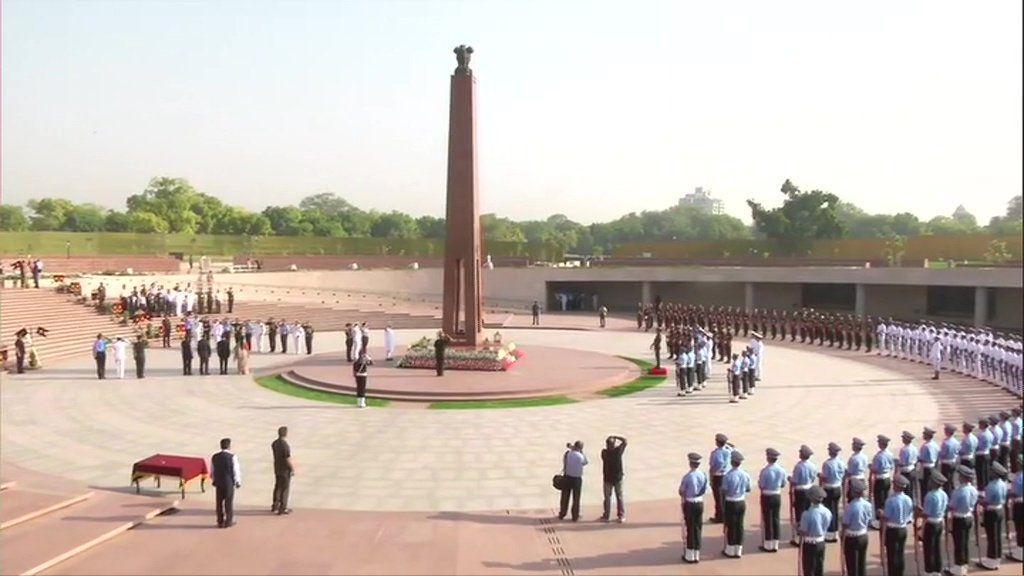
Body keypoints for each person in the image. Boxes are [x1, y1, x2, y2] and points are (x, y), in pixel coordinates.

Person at [948, 465, 979, 576]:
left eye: (960, 475)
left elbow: (952, 506)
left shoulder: (959, 491)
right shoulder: (973, 490)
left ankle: (959, 567)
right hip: (968, 517)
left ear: (963, 477)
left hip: (959, 518)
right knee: (965, 542)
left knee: (959, 544)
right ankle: (964, 564)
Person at [882, 474, 914, 576]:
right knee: (900, 554)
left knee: (892, 556)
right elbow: (909, 516)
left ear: (896, 486)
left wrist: (880, 514)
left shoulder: (891, 500)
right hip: (903, 528)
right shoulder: (908, 499)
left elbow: (886, 517)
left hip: (892, 530)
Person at [979, 461, 1009, 570]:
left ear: (995, 473)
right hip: (1000, 510)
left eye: (991, 471)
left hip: (991, 512)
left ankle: (991, 560)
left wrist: (979, 501)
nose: (990, 472)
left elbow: (986, 502)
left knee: (992, 537)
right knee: (997, 536)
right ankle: (997, 559)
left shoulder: (991, 486)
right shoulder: (1003, 484)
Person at [721, 450, 751, 558]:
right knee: (740, 525)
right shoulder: (745, 474)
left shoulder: (728, 475)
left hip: (731, 502)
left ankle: (730, 548)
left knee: (731, 525)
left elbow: (724, 490)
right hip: (741, 501)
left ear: (731, 462)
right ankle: (738, 549)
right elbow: (748, 489)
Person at [679, 452, 707, 564]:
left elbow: (681, 491)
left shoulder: (687, 477)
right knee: (698, 527)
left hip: (690, 503)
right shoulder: (703, 475)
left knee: (690, 528)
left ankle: (690, 554)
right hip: (699, 502)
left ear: (690, 463)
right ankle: (697, 554)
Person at [841, 478, 874, 576]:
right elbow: (869, 519)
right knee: (861, 563)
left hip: (852, 537)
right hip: (863, 535)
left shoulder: (850, 507)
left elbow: (845, 524)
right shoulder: (868, 505)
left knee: (852, 566)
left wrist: (842, 536)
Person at [920, 470, 949, 576]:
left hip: (931, 524)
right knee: (937, 548)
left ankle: (929, 571)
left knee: (929, 549)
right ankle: (937, 570)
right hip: (940, 522)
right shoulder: (944, 494)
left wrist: (919, 513)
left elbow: (926, 514)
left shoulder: (930, 495)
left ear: (934, 482)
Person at [758, 447, 787, 552]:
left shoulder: (765, 471)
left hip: (767, 496)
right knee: (775, 519)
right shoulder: (781, 470)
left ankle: (768, 543)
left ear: (768, 458)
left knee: (768, 520)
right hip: (777, 495)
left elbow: (761, 485)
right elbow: (783, 484)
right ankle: (775, 543)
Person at [798, 485, 832, 576]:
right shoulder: (827, 511)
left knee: (809, 570)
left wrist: (798, 529)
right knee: (819, 569)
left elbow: (804, 531)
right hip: (821, 542)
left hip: (810, 544)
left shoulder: (807, 514)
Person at [790, 444, 818, 546]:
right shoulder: (813, 466)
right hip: (809, 489)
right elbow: (813, 478)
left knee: (799, 514)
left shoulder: (799, 466)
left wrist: (790, 479)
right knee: (808, 511)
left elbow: (795, 480)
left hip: (800, 491)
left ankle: (799, 538)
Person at [211, 438, 242, 528]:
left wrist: (214, 480)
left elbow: (213, 470)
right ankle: (228, 521)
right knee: (228, 502)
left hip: (219, 481)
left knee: (219, 502)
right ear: (229, 446)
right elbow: (235, 470)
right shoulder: (232, 457)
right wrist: (238, 481)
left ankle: (220, 521)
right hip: (228, 482)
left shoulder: (215, 456)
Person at [819, 442, 845, 542]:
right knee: (836, 510)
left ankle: (829, 533)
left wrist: (820, 476)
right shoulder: (841, 463)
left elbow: (825, 477)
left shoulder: (827, 464)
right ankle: (835, 532)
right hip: (837, 487)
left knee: (829, 510)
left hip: (829, 488)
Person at [600, 435, 627, 523]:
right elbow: (625, 441)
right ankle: (621, 515)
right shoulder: (618, 451)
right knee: (619, 497)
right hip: (618, 478)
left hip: (607, 478)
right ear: (614, 444)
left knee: (607, 497)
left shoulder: (604, 453)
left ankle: (606, 515)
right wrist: (616, 436)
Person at [870, 434, 895, 530]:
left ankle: (879, 522)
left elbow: (875, 469)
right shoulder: (890, 454)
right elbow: (892, 466)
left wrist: (871, 468)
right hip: (887, 477)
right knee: (885, 499)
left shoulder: (879, 456)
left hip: (880, 478)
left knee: (879, 500)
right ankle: (885, 518)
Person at [559, 441, 587, 522]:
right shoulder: (581, 456)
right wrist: (581, 452)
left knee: (564, 497)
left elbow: (564, 462)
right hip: (577, 479)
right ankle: (575, 516)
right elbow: (585, 462)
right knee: (576, 498)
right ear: (581, 448)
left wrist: (572, 448)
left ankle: (562, 513)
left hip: (567, 477)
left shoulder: (567, 453)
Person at [709, 433, 733, 523]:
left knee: (718, 497)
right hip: (726, 475)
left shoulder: (716, 453)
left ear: (717, 443)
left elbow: (716, 465)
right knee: (724, 496)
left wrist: (712, 473)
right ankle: (725, 515)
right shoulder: (728, 451)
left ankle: (720, 516)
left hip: (718, 476)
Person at [271, 426, 294, 515]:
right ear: (286, 434)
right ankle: (283, 507)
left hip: (277, 467)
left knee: (277, 487)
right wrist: (292, 468)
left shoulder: (274, 443)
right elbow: (287, 458)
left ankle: (275, 505)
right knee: (285, 488)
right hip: (284, 469)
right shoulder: (285, 445)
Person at [1008, 454, 1023, 562]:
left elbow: (1015, 493)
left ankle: (1020, 553)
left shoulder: (1018, 477)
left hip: (1020, 504)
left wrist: (1008, 493)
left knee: (1019, 528)